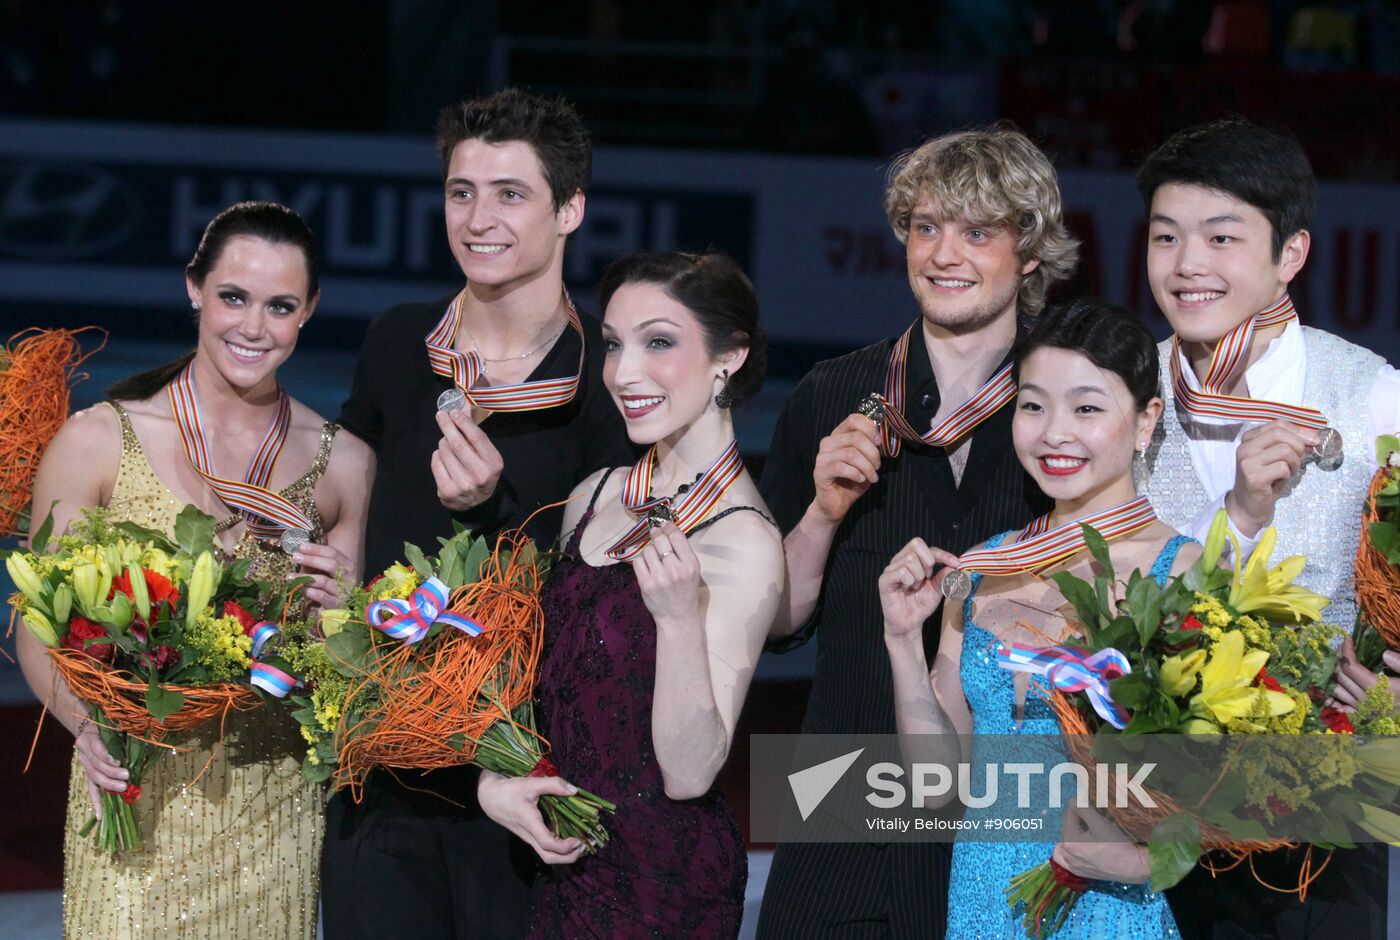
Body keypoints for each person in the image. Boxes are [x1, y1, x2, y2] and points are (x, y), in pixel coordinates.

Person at [322, 88, 635, 939]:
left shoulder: (610, 377)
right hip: (382, 771)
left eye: (510, 194)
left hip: (525, 775)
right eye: (462, 191)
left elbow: (606, 588)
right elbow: (343, 500)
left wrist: (496, 509)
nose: (478, 218)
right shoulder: (396, 341)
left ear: (570, 209)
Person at [16, 201, 373, 938]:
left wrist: (347, 613)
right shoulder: (99, 439)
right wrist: (85, 729)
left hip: (273, 809)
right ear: (193, 289)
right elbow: (35, 623)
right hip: (135, 791)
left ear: (310, 310)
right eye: (233, 297)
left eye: (280, 306)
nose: (253, 327)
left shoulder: (345, 462)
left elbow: (347, 674)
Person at [755, 125, 1078, 938]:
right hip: (845, 798)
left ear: (1030, 253)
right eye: (926, 227)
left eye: (978, 232)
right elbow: (780, 622)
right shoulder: (832, 397)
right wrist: (826, 510)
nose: (944, 254)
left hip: (1012, 813)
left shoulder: (1075, 413)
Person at [1137, 118, 1398, 938]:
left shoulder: (1372, 396)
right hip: (1146, 816)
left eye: (1222, 237)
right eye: (1166, 237)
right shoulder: (1116, 396)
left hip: (1327, 824)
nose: (1188, 265)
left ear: (1291, 255)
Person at [476, 250, 782, 938]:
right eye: (614, 344)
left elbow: (691, 771)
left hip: (661, 886)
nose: (625, 372)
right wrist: (495, 783)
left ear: (728, 357)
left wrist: (676, 619)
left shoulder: (744, 541)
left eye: (660, 342)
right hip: (557, 867)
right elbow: (538, 692)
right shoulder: (593, 495)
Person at [881, 299, 1194, 938]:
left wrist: (1140, 863)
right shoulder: (982, 567)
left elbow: (1223, 795)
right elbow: (939, 787)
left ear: (1145, 421)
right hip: (981, 902)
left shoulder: (1183, 571)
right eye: (1033, 405)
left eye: (1087, 408)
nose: (1054, 433)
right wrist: (901, 640)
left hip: (1107, 910)